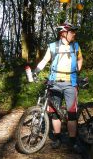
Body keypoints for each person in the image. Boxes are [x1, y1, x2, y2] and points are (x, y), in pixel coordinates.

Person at [32, 22, 83, 151]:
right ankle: (58, 138)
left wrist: (78, 69)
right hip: (54, 82)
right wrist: (35, 71)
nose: (74, 34)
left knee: (71, 114)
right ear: (63, 33)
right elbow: (44, 61)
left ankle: (72, 141)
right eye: (71, 32)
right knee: (54, 113)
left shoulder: (76, 46)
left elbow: (80, 59)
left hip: (70, 83)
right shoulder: (53, 46)